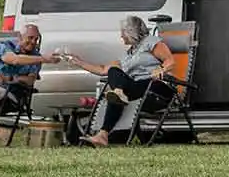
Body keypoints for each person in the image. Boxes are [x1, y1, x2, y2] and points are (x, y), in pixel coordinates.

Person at [61, 14, 174, 147]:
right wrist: (79, 62)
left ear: (131, 32)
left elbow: (170, 61)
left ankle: (118, 95)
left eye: (123, 33)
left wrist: (161, 69)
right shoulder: (127, 55)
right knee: (113, 73)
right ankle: (103, 135)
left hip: (156, 87)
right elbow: (103, 69)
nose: (121, 36)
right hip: (138, 89)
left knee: (117, 93)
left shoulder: (151, 41)